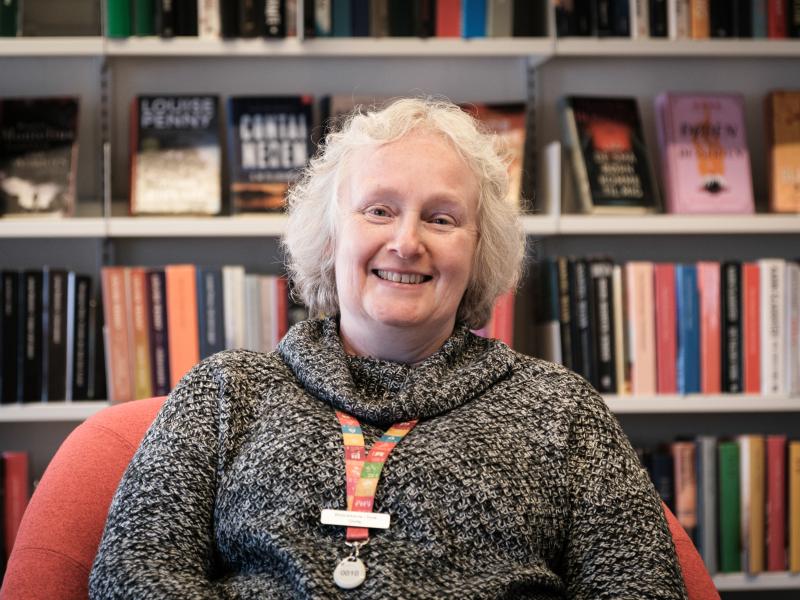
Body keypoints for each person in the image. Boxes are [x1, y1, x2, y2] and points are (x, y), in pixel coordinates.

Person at [89, 98, 687, 599]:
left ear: (480, 251)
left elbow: (641, 588)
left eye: (442, 219)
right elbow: (131, 578)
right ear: (330, 236)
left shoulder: (561, 410)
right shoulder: (225, 392)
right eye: (379, 210)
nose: (406, 242)